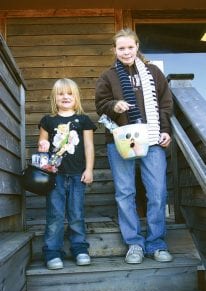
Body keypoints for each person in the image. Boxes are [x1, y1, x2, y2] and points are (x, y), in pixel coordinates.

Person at [95, 28, 173, 264]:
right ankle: (134, 244)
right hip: (121, 141)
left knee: (157, 192)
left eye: (130, 47)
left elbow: (166, 104)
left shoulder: (154, 73)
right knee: (125, 193)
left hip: (152, 139)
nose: (126, 51)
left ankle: (156, 244)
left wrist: (166, 130)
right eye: (121, 48)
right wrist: (114, 105)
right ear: (114, 50)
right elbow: (100, 104)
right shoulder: (108, 76)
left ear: (137, 46)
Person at [38, 78, 96, 270]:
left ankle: (79, 248)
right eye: (61, 93)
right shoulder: (48, 121)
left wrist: (88, 169)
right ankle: (52, 251)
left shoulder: (83, 120)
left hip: (77, 175)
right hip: (55, 176)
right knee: (54, 214)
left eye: (69, 93)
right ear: (54, 97)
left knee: (76, 213)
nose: (65, 96)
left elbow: (88, 146)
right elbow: (42, 147)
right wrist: (43, 146)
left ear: (76, 97)